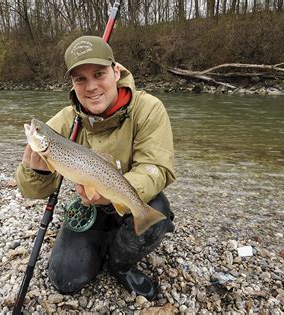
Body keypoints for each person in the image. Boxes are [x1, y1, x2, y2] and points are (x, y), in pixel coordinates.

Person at [15, 35, 176, 301]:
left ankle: (119, 265)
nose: (91, 87)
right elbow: (31, 191)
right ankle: (102, 243)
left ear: (116, 71)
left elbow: (158, 168)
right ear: (73, 83)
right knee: (65, 278)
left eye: (99, 74)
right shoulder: (65, 122)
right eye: (80, 79)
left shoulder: (149, 109)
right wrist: (38, 172)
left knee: (156, 214)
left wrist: (114, 191)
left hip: (129, 195)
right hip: (88, 206)